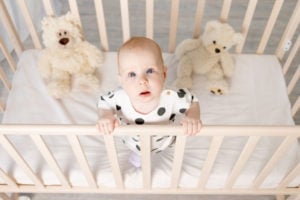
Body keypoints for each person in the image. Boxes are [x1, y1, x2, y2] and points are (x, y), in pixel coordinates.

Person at [97, 36, 201, 166]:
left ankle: (163, 151)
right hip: (134, 142)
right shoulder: (119, 97)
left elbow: (192, 101)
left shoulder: (171, 96)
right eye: (132, 74)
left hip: (165, 140)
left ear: (163, 74)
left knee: (175, 151)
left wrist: (193, 116)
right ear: (121, 80)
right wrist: (105, 115)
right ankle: (139, 154)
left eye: (150, 71)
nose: (142, 81)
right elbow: (104, 102)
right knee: (140, 151)